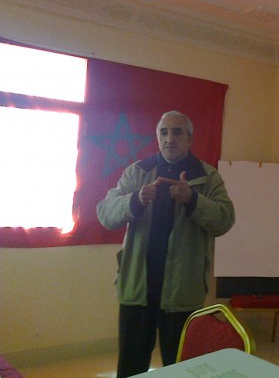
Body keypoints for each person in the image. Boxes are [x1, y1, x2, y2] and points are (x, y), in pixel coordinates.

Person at [96, 110, 235, 378]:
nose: (170, 138)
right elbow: (105, 213)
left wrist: (193, 199)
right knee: (131, 366)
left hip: (183, 294)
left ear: (189, 139)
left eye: (177, 132)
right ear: (158, 137)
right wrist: (135, 200)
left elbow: (225, 220)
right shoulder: (137, 172)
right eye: (164, 132)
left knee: (181, 368)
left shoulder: (207, 177)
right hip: (137, 291)